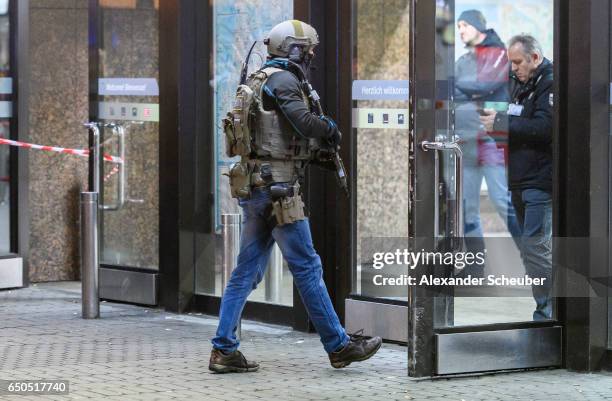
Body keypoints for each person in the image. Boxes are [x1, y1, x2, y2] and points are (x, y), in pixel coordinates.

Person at [209, 20, 382, 373]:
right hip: (279, 192)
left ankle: (224, 349)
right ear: (294, 49)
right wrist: (330, 129)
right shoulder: (283, 79)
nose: (312, 56)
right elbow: (303, 121)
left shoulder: (259, 77)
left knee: (246, 272)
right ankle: (338, 346)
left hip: (258, 187)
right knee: (307, 266)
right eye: (309, 50)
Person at [480, 35, 553, 320]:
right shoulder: (519, 84)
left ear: (535, 57)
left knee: (536, 247)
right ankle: (547, 306)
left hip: (540, 179)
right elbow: (519, 123)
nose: (513, 68)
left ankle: (547, 312)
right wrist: (496, 127)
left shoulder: (549, 82)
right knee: (530, 249)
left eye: (518, 62)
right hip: (520, 178)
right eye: (511, 62)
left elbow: (545, 127)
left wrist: (501, 123)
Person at [454, 10, 521, 277]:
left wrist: (460, 88)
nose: (460, 31)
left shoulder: (496, 53)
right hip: (466, 142)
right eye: (458, 26)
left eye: (464, 25)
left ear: (477, 26)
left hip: (490, 142)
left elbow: (481, 85)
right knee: (467, 206)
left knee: (501, 199)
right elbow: (451, 89)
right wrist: (460, 88)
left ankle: (534, 257)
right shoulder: (463, 59)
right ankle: (474, 266)